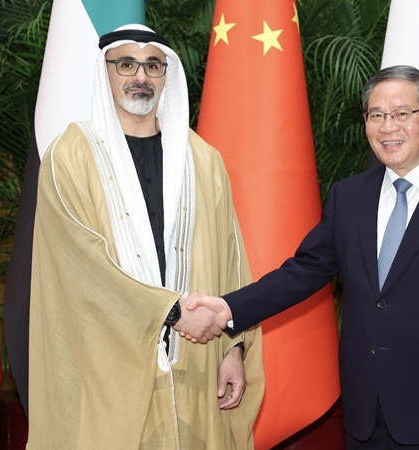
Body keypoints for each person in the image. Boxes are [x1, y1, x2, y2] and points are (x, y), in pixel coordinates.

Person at [185, 65, 419, 449]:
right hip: (367, 412)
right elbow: (305, 270)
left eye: (401, 113)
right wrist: (229, 308)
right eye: (376, 115)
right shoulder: (349, 196)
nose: (388, 126)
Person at [26, 24, 264, 449]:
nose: (140, 76)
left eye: (153, 65)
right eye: (127, 64)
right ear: (105, 72)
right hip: (108, 370)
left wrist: (233, 348)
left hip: (198, 363)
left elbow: (231, 261)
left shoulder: (203, 160)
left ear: (166, 75)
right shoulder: (70, 156)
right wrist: (170, 312)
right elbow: (81, 266)